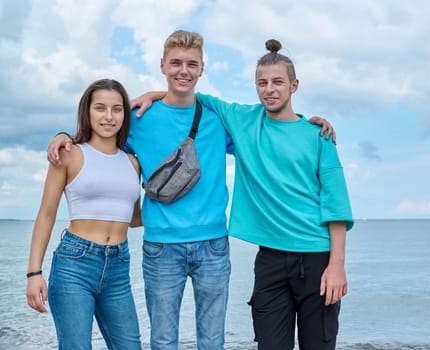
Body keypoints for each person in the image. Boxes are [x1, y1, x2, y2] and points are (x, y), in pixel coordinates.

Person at [47, 31, 335, 350]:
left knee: (212, 342)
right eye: (176, 63)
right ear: (162, 65)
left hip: (213, 245)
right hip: (161, 246)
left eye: (191, 64)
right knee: (163, 341)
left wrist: (311, 124)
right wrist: (66, 137)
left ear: (202, 69)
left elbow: (272, 125)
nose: (183, 70)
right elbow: (101, 143)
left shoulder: (218, 118)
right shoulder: (139, 118)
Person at [133, 39, 353, 350]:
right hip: (270, 259)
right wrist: (153, 94)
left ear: (294, 86)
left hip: (316, 258)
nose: (270, 89)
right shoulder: (244, 121)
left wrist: (337, 264)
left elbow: (336, 204)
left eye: (278, 82)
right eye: (262, 83)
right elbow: (186, 92)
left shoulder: (318, 135)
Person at [26, 79, 142, 350]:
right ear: (87, 112)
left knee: (130, 345)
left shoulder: (133, 163)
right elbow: (46, 215)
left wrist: (180, 205)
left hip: (119, 265)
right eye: (100, 108)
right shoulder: (69, 154)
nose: (109, 116)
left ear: (125, 114)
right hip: (75, 265)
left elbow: (135, 219)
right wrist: (34, 273)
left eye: (117, 109)